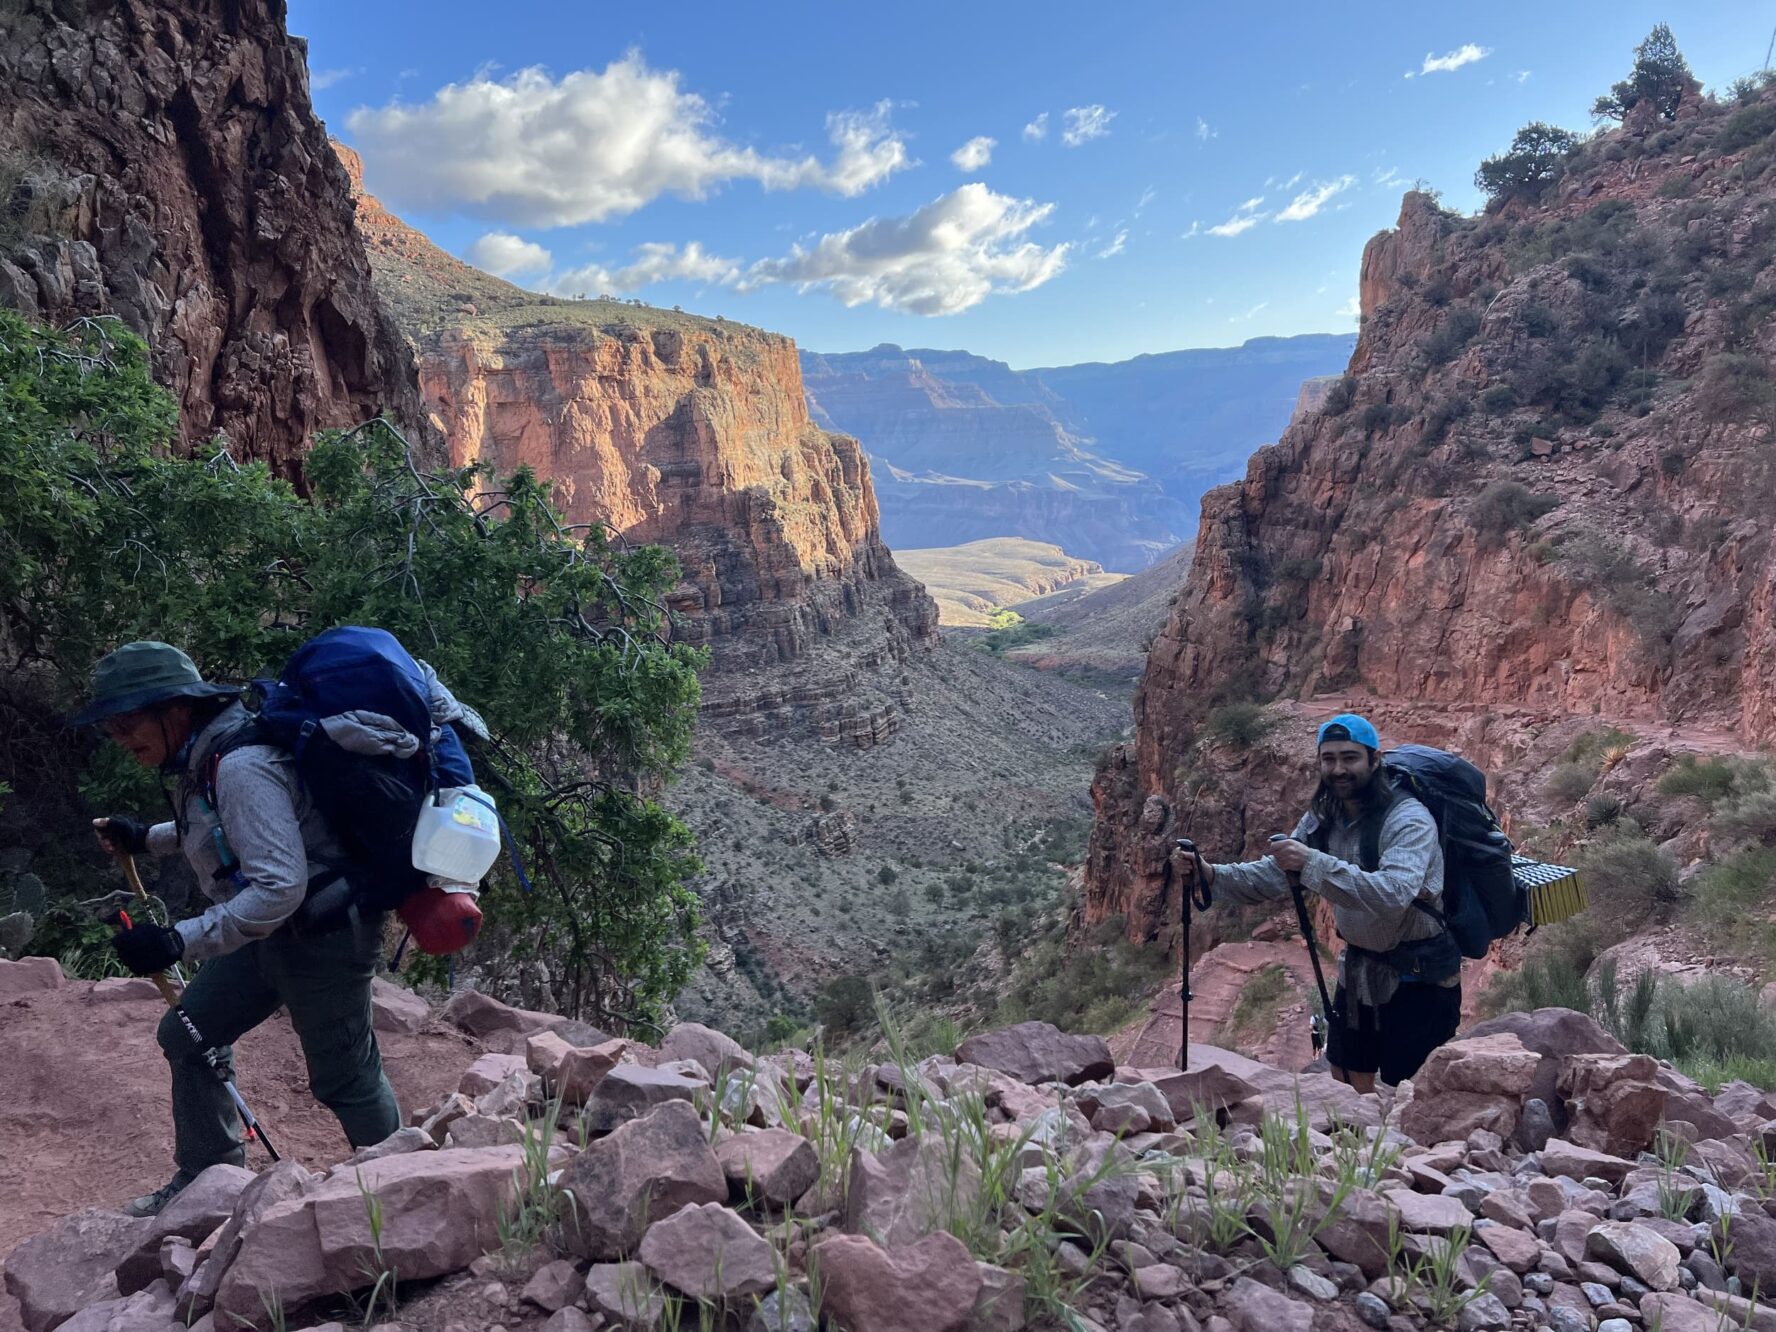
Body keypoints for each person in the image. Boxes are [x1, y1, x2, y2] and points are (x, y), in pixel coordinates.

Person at [71, 641, 400, 1215]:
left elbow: (280, 887)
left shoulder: (241, 764)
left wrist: (178, 940)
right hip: (269, 934)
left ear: (176, 710)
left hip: (323, 940)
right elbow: (224, 828)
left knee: (345, 1079)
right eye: (112, 728)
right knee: (187, 1037)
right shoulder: (210, 754)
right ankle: (209, 1184)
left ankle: (406, 1196)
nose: (121, 739)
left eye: (128, 722)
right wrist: (146, 838)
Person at [1182, 713, 1458, 1091]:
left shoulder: (1409, 819)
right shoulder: (1324, 817)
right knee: (1345, 1075)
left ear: (1374, 760)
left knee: (1408, 1089)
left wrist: (1312, 862)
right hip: (1359, 969)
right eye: (1329, 759)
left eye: (1350, 758)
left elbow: (1393, 894)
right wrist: (1211, 874)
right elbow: (1277, 873)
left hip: (1420, 975)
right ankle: (1354, 1145)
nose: (1339, 769)